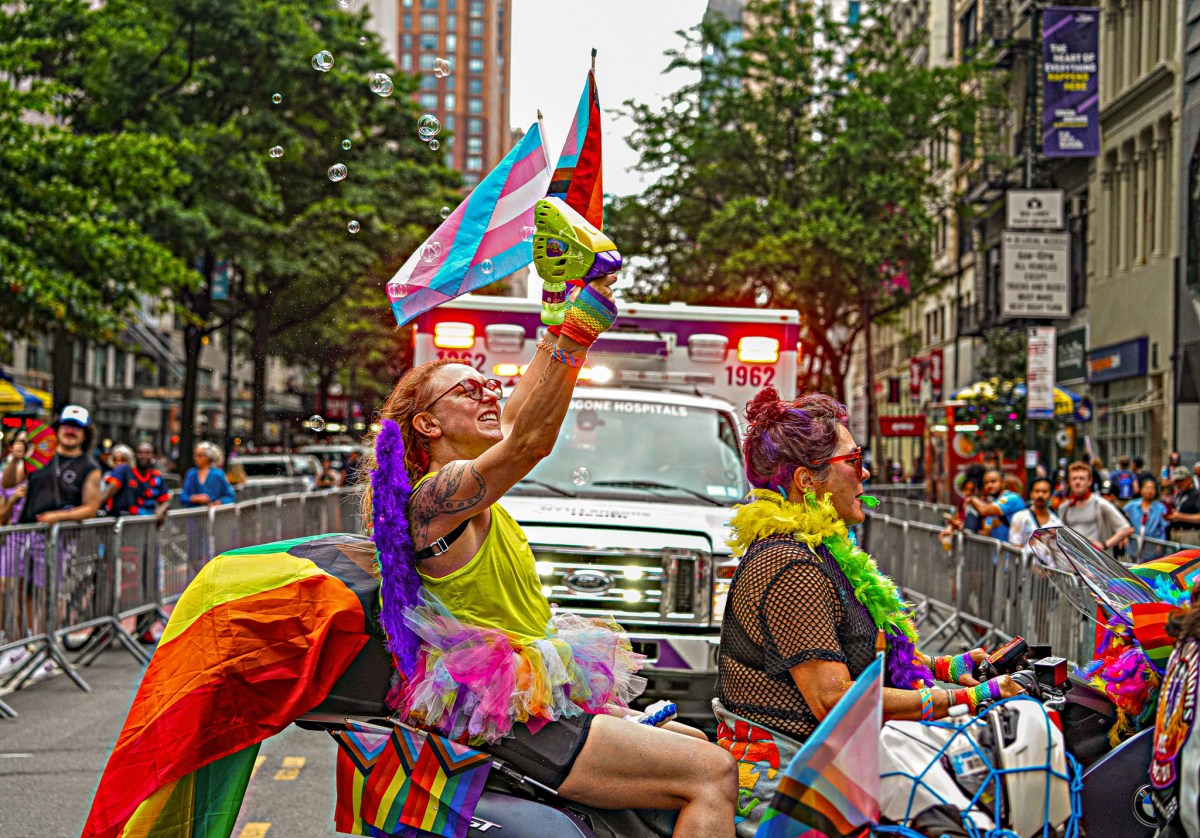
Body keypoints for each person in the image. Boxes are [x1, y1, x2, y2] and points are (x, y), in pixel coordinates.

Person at [359, 277, 737, 835]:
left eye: (489, 383)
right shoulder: (431, 503)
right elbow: (528, 441)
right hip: (494, 715)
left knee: (693, 740)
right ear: (428, 424)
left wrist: (558, 325)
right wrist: (579, 337)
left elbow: (517, 423)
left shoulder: (472, 489)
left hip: (526, 697)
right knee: (713, 772)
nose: (490, 393)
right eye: (470, 391)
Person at [713, 388, 1019, 832]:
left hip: (825, 772)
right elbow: (835, 699)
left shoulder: (819, 551)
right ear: (807, 480)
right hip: (787, 795)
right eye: (854, 461)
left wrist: (951, 666)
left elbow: (857, 657)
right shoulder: (790, 564)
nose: (867, 472)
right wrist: (967, 699)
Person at [3, 405, 101, 525]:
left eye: (77, 427)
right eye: (66, 425)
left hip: (61, 536)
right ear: (57, 429)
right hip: (26, 533)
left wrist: (58, 516)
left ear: (85, 434)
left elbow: (91, 509)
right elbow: (8, 483)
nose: (70, 431)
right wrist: (15, 460)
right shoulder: (40, 455)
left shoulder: (90, 467)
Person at [1057, 461, 1134, 554]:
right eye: (1074, 479)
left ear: (1089, 481)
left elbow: (1126, 528)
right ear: (1069, 482)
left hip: (1097, 563)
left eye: (1081, 478)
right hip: (1073, 562)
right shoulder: (1064, 508)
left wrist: (1105, 545)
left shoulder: (1100, 504)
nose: (1077, 482)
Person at [100, 442, 170, 525]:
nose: (144, 456)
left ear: (153, 456)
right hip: (124, 525)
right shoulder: (124, 471)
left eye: (147, 453)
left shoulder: (156, 477)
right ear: (135, 455)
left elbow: (165, 501)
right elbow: (109, 491)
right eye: (140, 453)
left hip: (146, 527)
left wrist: (161, 510)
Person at [1007, 477, 1062, 551]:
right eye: (1037, 491)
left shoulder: (1056, 523)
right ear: (1031, 494)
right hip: (1026, 562)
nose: (1040, 495)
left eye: (1044, 491)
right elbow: (1015, 546)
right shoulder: (1020, 517)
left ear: (1051, 495)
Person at [1124, 478, 1170, 560]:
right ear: (1141, 490)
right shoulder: (1131, 506)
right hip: (1134, 544)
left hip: (1152, 546)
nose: (1149, 491)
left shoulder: (1161, 508)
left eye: (1152, 488)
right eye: (1147, 488)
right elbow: (1123, 521)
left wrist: (1160, 543)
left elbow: (1163, 528)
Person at [180, 442, 236, 508]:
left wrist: (219, 502)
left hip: (214, 515)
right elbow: (183, 497)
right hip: (194, 515)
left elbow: (231, 496)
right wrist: (194, 498)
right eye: (195, 455)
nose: (196, 458)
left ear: (208, 457)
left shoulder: (218, 474)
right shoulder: (191, 474)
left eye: (199, 455)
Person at [0, 432, 29, 526]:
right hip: (13, 536)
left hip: (36, 536)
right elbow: (1, 517)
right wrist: (13, 499)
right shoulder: (2, 477)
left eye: (26, 442)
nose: (22, 446)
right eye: (19, 442)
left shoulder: (39, 475)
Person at [1166, 466, 1200, 547]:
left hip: (1191, 534)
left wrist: (1181, 517)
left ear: (1188, 479)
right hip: (1176, 533)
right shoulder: (1179, 495)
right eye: (1176, 481)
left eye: (1181, 481)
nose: (1179, 484)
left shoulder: (1196, 495)